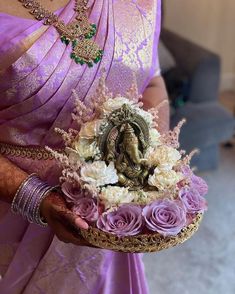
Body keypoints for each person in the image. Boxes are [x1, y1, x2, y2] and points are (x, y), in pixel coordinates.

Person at [0, 0, 169, 293]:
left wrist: (151, 159)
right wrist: (34, 198)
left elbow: (152, 81)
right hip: (10, 219)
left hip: (110, 213)